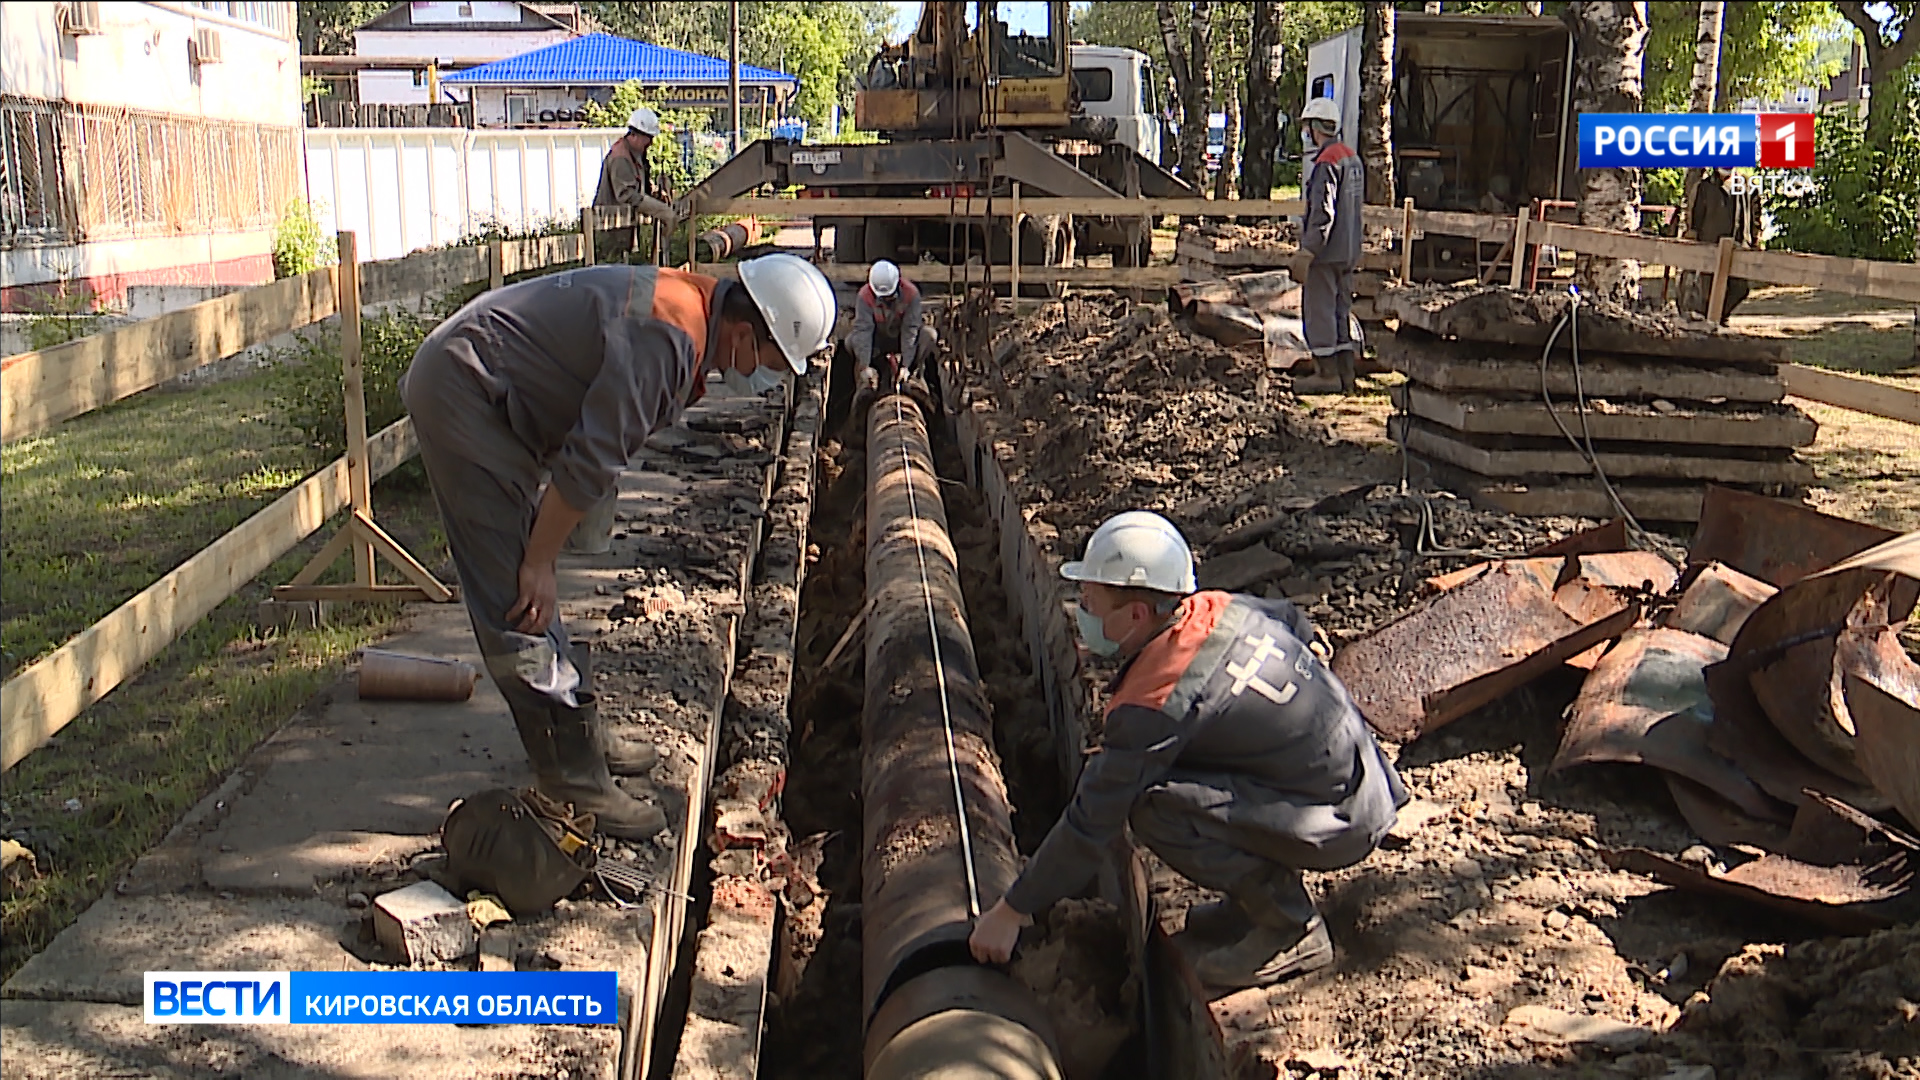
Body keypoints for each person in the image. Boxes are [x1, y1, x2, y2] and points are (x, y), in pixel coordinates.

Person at [399, 254, 836, 840]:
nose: (762, 377)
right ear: (742, 331)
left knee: (529, 585)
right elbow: (590, 459)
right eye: (767, 362)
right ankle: (570, 774)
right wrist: (540, 559)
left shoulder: (693, 313)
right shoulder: (670, 335)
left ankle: (579, 728)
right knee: (516, 594)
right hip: (468, 392)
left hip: (497, 393)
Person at [968, 511, 1407, 990]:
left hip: (1337, 817)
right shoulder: (1219, 609)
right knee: (1183, 760)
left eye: (1091, 601)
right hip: (1365, 776)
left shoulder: (1155, 700)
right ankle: (1249, 903)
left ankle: (1290, 927)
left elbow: (1091, 822)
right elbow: (1293, 623)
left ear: (1136, 615)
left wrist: (1013, 909)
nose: (1083, 611)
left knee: (1153, 804)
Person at [1290, 96, 1365, 393]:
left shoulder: (1326, 162)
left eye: (1308, 127)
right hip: (1349, 250)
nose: (1307, 133)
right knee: (1341, 311)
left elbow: (1323, 211)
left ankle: (1326, 375)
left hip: (1327, 252)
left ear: (1315, 127)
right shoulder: (1352, 157)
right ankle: (1347, 375)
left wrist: (1308, 250)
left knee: (1319, 311)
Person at [847, 260, 940, 404]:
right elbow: (863, 331)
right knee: (851, 341)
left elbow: (911, 330)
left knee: (929, 335)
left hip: (901, 338)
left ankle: (914, 375)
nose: (886, 299)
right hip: (877, 340)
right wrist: (865, 365)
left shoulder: (911, 293)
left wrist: (906, 366)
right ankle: (868, 378)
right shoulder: (865, 296)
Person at [594, 107, 682, 256]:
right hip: (609, 232)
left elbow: (642, 187)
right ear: (635, 135)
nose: (651, 142)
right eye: (649, 137)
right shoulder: (621, 158)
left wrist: (658, 195)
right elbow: (627, 194)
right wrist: (662, 210)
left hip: (623, 230)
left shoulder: (636, 155)